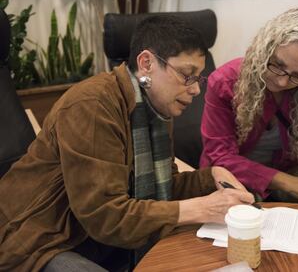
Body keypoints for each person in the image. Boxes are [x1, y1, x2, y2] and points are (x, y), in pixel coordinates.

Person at [0, 16, 254, 271]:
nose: (196, 90)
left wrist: (211, 177)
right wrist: (200, 208)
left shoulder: (155, 108)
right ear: (146, 63)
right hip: (41, 237)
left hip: (89, 231)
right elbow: (105, 216)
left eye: (198, 79)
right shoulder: (93, 105)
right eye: (187, 75)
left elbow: (160, 187)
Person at [200, 7, 298, 212]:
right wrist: (284, 181)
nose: (282, 82)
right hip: (237, 172)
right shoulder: (225, 81)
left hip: (289, 168)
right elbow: (220, 156)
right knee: (243, 207)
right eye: (277, 65)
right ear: (266, 50)